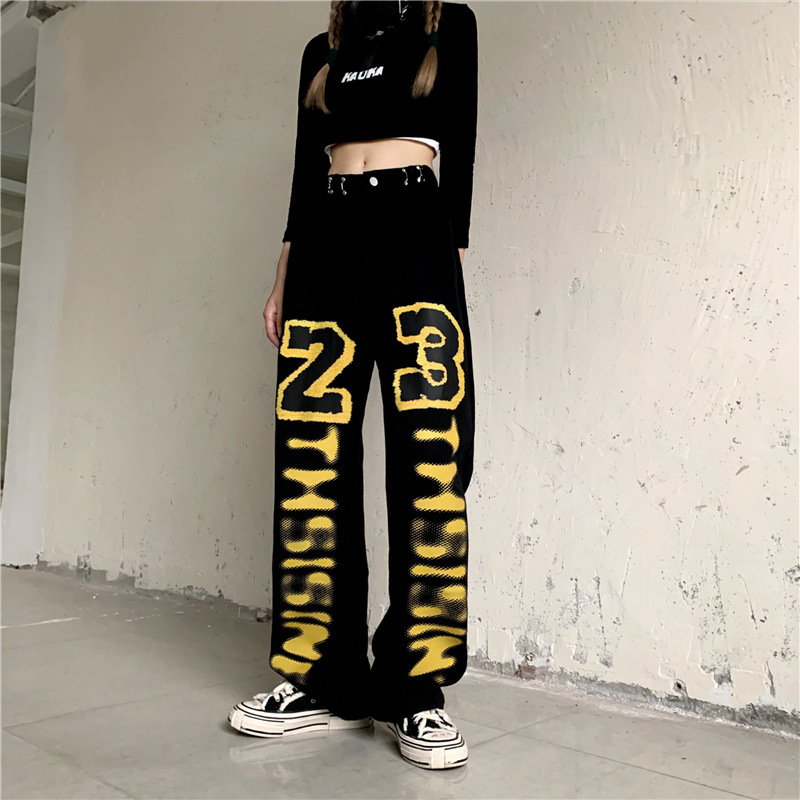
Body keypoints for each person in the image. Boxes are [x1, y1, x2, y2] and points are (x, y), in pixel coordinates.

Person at [228, 0, 478, 770]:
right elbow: (304, 174)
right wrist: (283, 276)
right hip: (325, 241)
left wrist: (446, 272)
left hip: (415, 231)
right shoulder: (322, 49)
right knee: (312, 455)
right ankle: (321, 678)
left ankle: (415, 689)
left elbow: (461, 156)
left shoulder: (448, 25)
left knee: (431, 453)